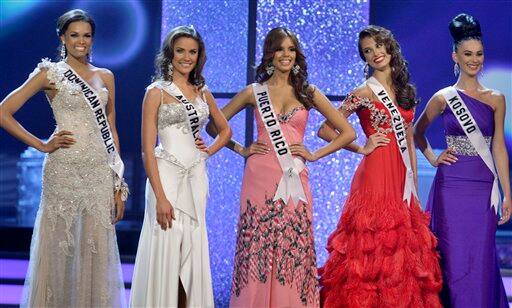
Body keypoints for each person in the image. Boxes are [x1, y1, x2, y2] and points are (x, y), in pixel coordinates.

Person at [207, 27, 356, 307]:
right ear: (269, 55)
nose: (285, 55)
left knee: (292, 246)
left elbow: (348, 132)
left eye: (290, 49)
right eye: (279, 49)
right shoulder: (255, 92)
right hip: (259, 175)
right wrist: (242, 149)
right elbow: (213, 124)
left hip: (294, 177)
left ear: (296, 55)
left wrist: (315, 154)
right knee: (258, 248)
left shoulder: (308, 92)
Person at [0, 9, 128, 307]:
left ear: (92, 39)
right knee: (60, 248)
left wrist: (118, 186)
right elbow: (4, 111)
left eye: (86, 35)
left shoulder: (106, 76)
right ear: (62, 38)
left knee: (95, 249)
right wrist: (41, 144)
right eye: (74, 35)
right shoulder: (50, 72)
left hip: (98, 171)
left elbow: (113, 130)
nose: (81, 41)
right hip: (64, 170)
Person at [318, 25, 442, 307]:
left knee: (403, 246)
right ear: (364, 58)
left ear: (390, 46)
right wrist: (362, 146)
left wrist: (413, 180)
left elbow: (409, 138)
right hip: (375, 173)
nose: (375, 53)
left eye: (378, 46)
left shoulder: (402, 90)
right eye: (367, 51)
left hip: (402, 176)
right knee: (372, 245)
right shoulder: (363, 92)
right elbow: (326, 130)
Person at [129, 25, 231, 308]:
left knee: (191, 249)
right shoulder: (156, 92)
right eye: (181, 51)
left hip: (196, 177)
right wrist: (161, 197)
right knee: (167, 247)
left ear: (199, 56)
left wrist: (207, 152)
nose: (187, 57)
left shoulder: (202, 91)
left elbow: (225, 131)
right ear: (170, 54)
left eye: (193, 52)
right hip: (166, 178)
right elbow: (147, 150)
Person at [414, 13, 509, 307]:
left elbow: (498, 150)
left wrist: (508, 193)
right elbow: (416, 132)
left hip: (483, 187)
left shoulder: (496, 98)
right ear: (455, 55)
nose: (474, 59)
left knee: (479, 256)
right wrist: (432, 157)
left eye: (479, 54)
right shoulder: (443, 97)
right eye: (468, 54)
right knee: (452, 257)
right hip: (451, 185)